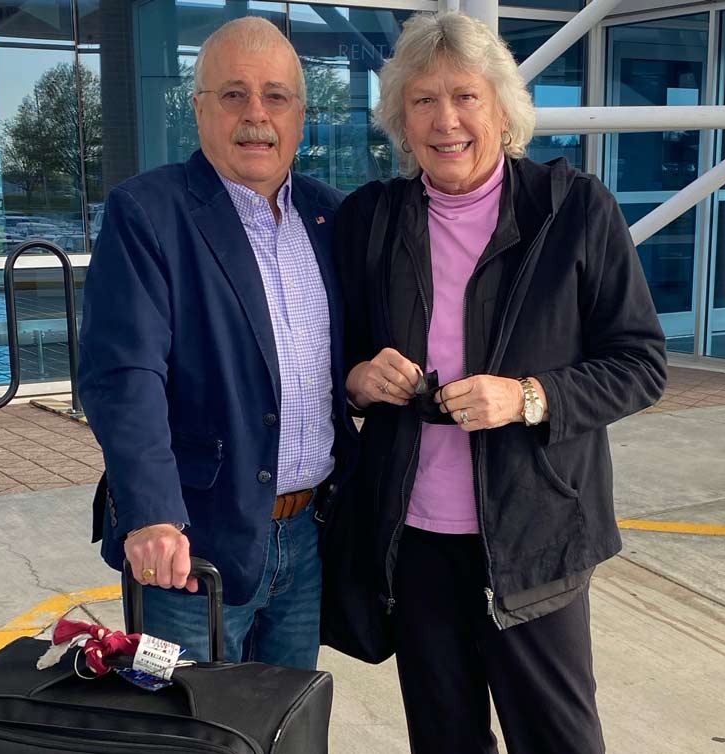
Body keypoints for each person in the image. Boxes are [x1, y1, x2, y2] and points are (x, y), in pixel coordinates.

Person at [331, 11, 667, 753]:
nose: (444, 120)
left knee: (558, 739)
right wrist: (357, 379)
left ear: (501, 107)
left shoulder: (574, 210)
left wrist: (527, 397)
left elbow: (641, 363)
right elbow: (328, 361)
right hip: (414, 541)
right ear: (400, 118)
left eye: (464, 97)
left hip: (535, 535)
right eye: (422, 100)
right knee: (445, 739)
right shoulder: (371, 221)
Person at [78, 16, 353, 670]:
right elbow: (124, 375)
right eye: (233, 94)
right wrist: (150, 514)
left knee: (285, 722)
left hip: (307, 540)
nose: (256, 114)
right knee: (183, 727)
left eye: (276, 96)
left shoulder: (331, 217)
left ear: (301, 118)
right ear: (199, 110)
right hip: (189, 548)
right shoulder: (148, 213)